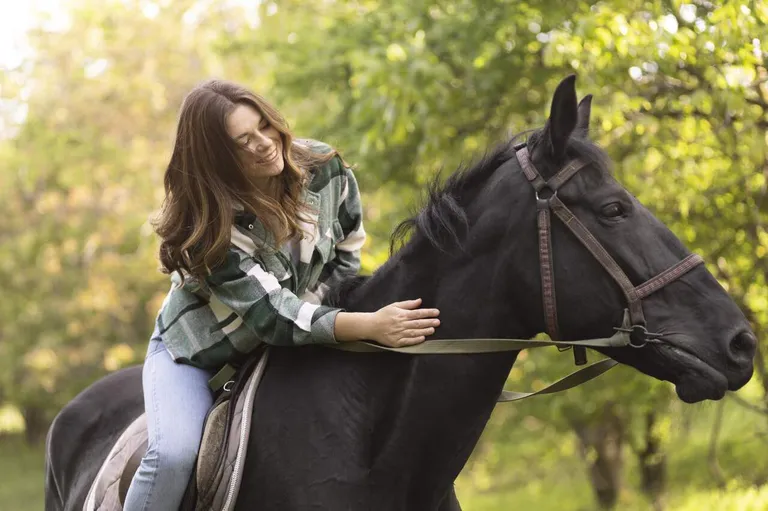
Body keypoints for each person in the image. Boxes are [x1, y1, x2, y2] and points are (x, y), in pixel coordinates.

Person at [122, 79, 442, 511]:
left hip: (294, 330)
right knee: (173, 455)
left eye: (264, 126)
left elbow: (346, 257)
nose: (264, 144)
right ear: (217, 159)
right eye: (242, 142)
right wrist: (371, 325)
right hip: (200, 352)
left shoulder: (326, 169)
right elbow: (273, 315)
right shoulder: (212, 228)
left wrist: (334, 316)